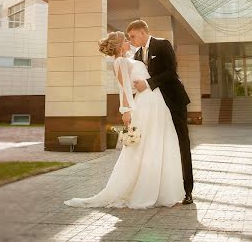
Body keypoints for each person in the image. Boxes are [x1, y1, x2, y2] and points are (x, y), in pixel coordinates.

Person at [64, 30, 184, 209]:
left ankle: (161, 190)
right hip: (145, 105)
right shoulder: (120, 62)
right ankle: (143, 190)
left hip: (156, 102)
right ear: (120, 45)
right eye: (126, 40)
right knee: (145, 147)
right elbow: (124, 89)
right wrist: (126, 111)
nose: (129, 41)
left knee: (158, 143)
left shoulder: (132, 59)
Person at [127, 19, 194, 204]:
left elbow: (171, 72)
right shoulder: (137, 55)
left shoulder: (163, 45)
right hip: (154, 108)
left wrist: (148, 83)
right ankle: (166, 189)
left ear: (142, 32)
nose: (131, 40)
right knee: (161, 146)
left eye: (132, 36)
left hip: (173, 102)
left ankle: (188, 190)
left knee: (181, 143)